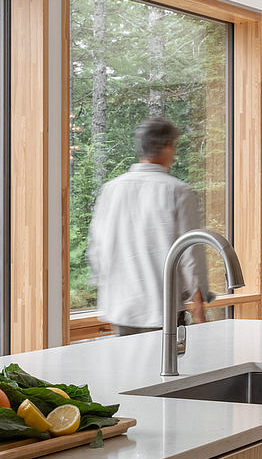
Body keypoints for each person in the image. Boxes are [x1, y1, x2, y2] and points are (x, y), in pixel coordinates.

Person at [87, 117, 210, 336]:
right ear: (168, 146)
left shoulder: (110, 190)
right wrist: (200, 310)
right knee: (170, 369)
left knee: (128, 370)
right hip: (163, 309)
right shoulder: (178, 191)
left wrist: (110, 286)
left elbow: (96, 251)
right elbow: (191, 255)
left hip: (120, 309)